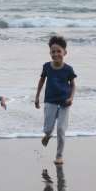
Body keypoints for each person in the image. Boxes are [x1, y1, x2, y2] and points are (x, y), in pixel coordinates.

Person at [34, 36, 77, 165]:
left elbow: (73, 85)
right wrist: (37, 97)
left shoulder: (68, 69)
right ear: (50, 53)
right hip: (50, 101)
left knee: (61, 130)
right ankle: (47, 136)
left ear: (65, 52)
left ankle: (59, 156)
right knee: (48, 128)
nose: (56, 54)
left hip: (65, 101)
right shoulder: (47, 67)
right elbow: (41, 81)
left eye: (59, 51)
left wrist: (71, 97)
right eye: (53, 51)